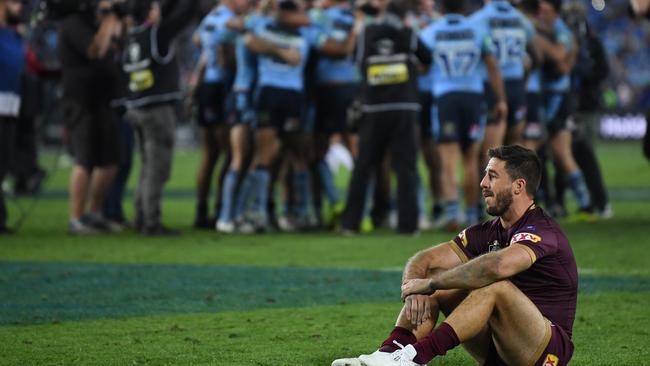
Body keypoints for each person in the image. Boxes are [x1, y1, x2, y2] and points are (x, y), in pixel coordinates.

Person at [332, 144, 577, 366]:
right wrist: (414, 288)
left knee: (495, 287)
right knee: (439, 276)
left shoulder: (542, 230)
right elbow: (425, 261)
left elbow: (498, 266)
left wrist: (430, 284)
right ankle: (389, 353)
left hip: (546, 351)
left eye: (492, 176)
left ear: (518, 186)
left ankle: (415, 358)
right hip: (501, 349)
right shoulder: (487, 231)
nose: (482, 183)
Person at [340, 0, 432, 235]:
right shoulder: (408, 34)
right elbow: (428, 58)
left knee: (364, 166)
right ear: (404, 17)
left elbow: (360, 65)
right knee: (405, 167)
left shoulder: (367, 33)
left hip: (374, 108)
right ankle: (407, 226)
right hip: (404, 107)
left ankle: (350, 224)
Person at [419, 0, 507, 230]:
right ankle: (471, 214)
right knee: (471, 159)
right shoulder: (478, 31)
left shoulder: (430, 32)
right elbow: (492, 66)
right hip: (473, 98)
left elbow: (421, 66)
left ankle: (451, 214)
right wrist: (500, 99)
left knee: (448, 161)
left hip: (446, 98)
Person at [121, 0, 197, 236]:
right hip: (157, 108)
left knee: (146, 165)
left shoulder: (132, 35)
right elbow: (185, 14)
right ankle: (151, 221)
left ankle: (141, 216)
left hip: (136, 106)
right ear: (150, 13)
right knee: (158, 168)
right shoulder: (158, 34)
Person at [59, 0, 123, 234]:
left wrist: (116, 20)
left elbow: (117, 45)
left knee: (110, 160)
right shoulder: (73, 22)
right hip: (81, 99)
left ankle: (94, 213)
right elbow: (94, 50)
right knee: (84, 159)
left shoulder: (95, 22)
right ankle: (75, 218)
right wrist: (108, 19)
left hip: (103, 98)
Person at [0, 0, 25, 234]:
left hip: (9, 105)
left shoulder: (13, 35)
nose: (20, 8)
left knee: (3, 164)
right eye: (15, 2)